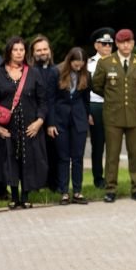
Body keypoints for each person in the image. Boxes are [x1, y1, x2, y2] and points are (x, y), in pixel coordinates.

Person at [92, 28, 136, 202]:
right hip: (113, 116)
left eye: (129, 41)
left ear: (133, 43)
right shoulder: (105, 63)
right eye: (122, 42)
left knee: (135, 154)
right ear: (117, 44)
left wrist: (135, 100)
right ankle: (110, 189)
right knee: (112, 154)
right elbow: (97, 85)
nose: (126, 45)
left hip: (135, 115)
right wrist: (113, 98)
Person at [0, 36, 48, 209]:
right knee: (10, 160)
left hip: (29, 126)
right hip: (7, 128)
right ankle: (14, 197)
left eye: (22, 50)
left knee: (28, 160)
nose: (19, 53)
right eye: (15, 50)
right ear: (9, 52)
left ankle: (25, 196)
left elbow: (43, 101)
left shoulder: (33, 73)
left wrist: (39, 121)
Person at [47, 47, 92, 204]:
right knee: (63, 157)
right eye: (76, 64)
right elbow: (50, 99)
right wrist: (50, 123)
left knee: (78, 157)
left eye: (81, 65)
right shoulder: (56, 72)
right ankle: (64, 192)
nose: (78, 67)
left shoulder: (86, 74)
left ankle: (78, 191)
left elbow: (86, 98)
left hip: (79, 118)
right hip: (60, 119)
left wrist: (88, 115)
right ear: (69, 61)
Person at [28, 35, 59, 191]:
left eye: (45, 49)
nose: (42, 52)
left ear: (50, 51)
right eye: (38, 50)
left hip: (53, 119)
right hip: (34, 119)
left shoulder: (58, 70)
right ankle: (36, 186)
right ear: (33, 53)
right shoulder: (28, 72)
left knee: (55, 154)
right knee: (35, 155)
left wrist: (52, 120)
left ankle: (54, 185)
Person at [86, 28, 114, 188]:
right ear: (96, 45)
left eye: (110, 44)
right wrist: (87, 111)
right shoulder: (90, 64)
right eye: (104, 44)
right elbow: (86, 89)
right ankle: (98, 178)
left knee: (113, 143)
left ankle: (111, 177)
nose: (107, 47)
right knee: (98, 144)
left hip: (114, 106)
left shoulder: (117, 62)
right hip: (96, 105)